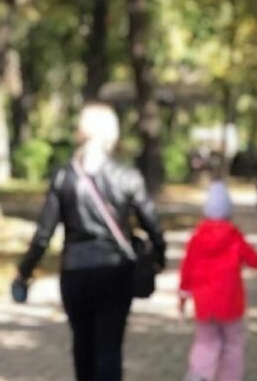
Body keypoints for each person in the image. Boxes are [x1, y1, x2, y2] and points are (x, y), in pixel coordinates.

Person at [14, 103, 166, 381]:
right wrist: (158, 258)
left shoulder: (63, 177)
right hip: (115, 271)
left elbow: (43, 235)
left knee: (82, 345)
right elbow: (152, 225)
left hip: (75, 272)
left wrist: (24, 271)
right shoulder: (127, 177)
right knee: (110, 348)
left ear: (80, 133)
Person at [179, 180, 257, 381]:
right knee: (233, 344)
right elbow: (253, 259)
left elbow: (187, 268)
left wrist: (183, 294)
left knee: (205, 341)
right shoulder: (234, 236)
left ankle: (200, 374)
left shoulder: (197, 238)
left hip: (204, 303)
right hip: (230, 303)